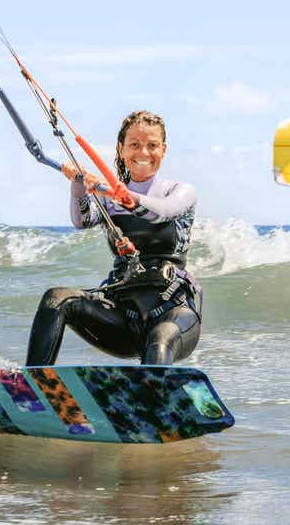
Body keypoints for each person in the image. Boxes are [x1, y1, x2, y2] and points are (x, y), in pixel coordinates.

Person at [25, 110, 202, 366]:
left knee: (159, 342)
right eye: (134, 145)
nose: (143, 153)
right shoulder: (110, 199)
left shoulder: (180, 191)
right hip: (122, 316)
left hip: (173, 313)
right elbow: (82, 220)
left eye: (152, 145)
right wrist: (78, 184)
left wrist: (124, 196)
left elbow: (162, 212)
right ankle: (31, 389)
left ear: (163, 149)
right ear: (121, 149)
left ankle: (153, 401)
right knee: (57, 298)